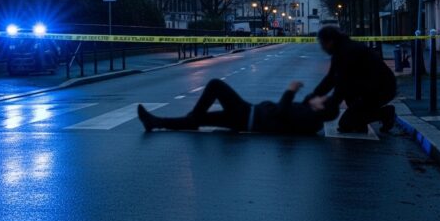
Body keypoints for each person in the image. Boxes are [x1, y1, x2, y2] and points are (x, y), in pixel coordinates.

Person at [137, 79, 338, 134]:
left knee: (216, 84)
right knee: (200, 119)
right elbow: (292, 112)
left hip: (247, 114)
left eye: (322, 99)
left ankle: (190, 120)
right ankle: (155, 122)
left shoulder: (309, 119)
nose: (318, 97)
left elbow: (281, 112)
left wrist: (290, 90)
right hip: (246, 118)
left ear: (321, 108)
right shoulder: (310, 117)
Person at [305, 26, 396, 133]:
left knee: (345, 124)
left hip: (380, 89)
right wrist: (313, 97)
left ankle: (385, 113)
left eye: (322, 44)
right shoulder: (342, 50)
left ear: (330, 41)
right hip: (373, 87)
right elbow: (331, 78)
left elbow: (341, 84)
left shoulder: (346, 52)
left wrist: (329, 105)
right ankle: (359, 119)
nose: (322, 48)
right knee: (351, 99)